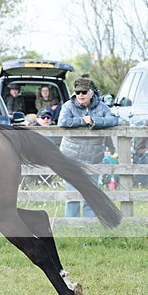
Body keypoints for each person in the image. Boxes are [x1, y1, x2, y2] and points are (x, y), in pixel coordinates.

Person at [57, 76, 119, 218]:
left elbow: (114, 119)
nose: (80, 95)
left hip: (93, 156)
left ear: (92, 93)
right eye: (78, 92)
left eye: (84, 92)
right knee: (72, 194)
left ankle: (89, 225)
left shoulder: (101, 106)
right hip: (70, 157)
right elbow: (63, 121)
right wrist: (82, 121)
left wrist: (94, 120)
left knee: (91, 194)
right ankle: (71, 224)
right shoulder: (68, 106)